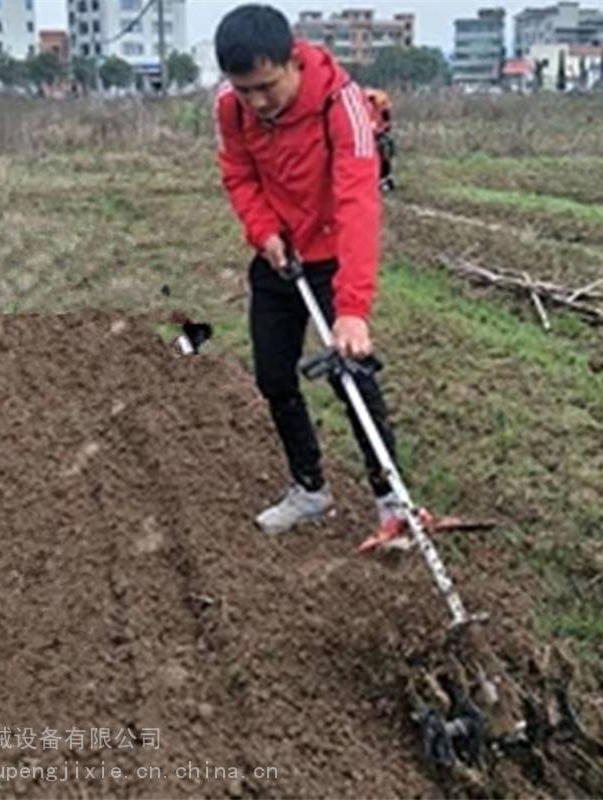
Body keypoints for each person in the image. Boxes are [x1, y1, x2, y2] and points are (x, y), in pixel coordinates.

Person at [213, 4, 406, 545]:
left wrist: (352, 308)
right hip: (278, 256)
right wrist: (264, 232)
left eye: (266, 87)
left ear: (293, 61)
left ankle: (391, 503)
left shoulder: (340, 103)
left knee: (354, 378)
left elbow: (358, 204)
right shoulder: (231, 107)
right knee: (274, 377)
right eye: (243, 89)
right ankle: (309, 489)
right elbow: (238, 173)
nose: (256, 102)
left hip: (331, 256)